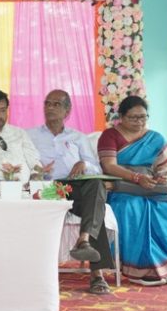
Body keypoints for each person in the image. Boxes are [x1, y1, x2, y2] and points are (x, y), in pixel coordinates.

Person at [27, 90, 112, 294]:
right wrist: (36, 171)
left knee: (96, 186)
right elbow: (21, 163)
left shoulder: (78, 137)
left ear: (67, 111)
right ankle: (97, 273)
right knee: (95, 209)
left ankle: (84, 240)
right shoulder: (30, 135)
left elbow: (96, 168)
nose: (50, 107)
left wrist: (84, 164)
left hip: (75, 186)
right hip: (47, 188)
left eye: (56, 104)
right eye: (47, 103)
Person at [98, 95, 167, 286]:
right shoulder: (110, 135)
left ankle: (165, 266)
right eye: (133, 117)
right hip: (122, 188)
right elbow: (109, 166)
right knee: (132, 208)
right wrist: (136, 178)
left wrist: (162, 175)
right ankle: (139, 270)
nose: (139, 122)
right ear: (121, 117)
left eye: (143, 117)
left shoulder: (155, 137)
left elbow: (164, 165)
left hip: (151, 188)